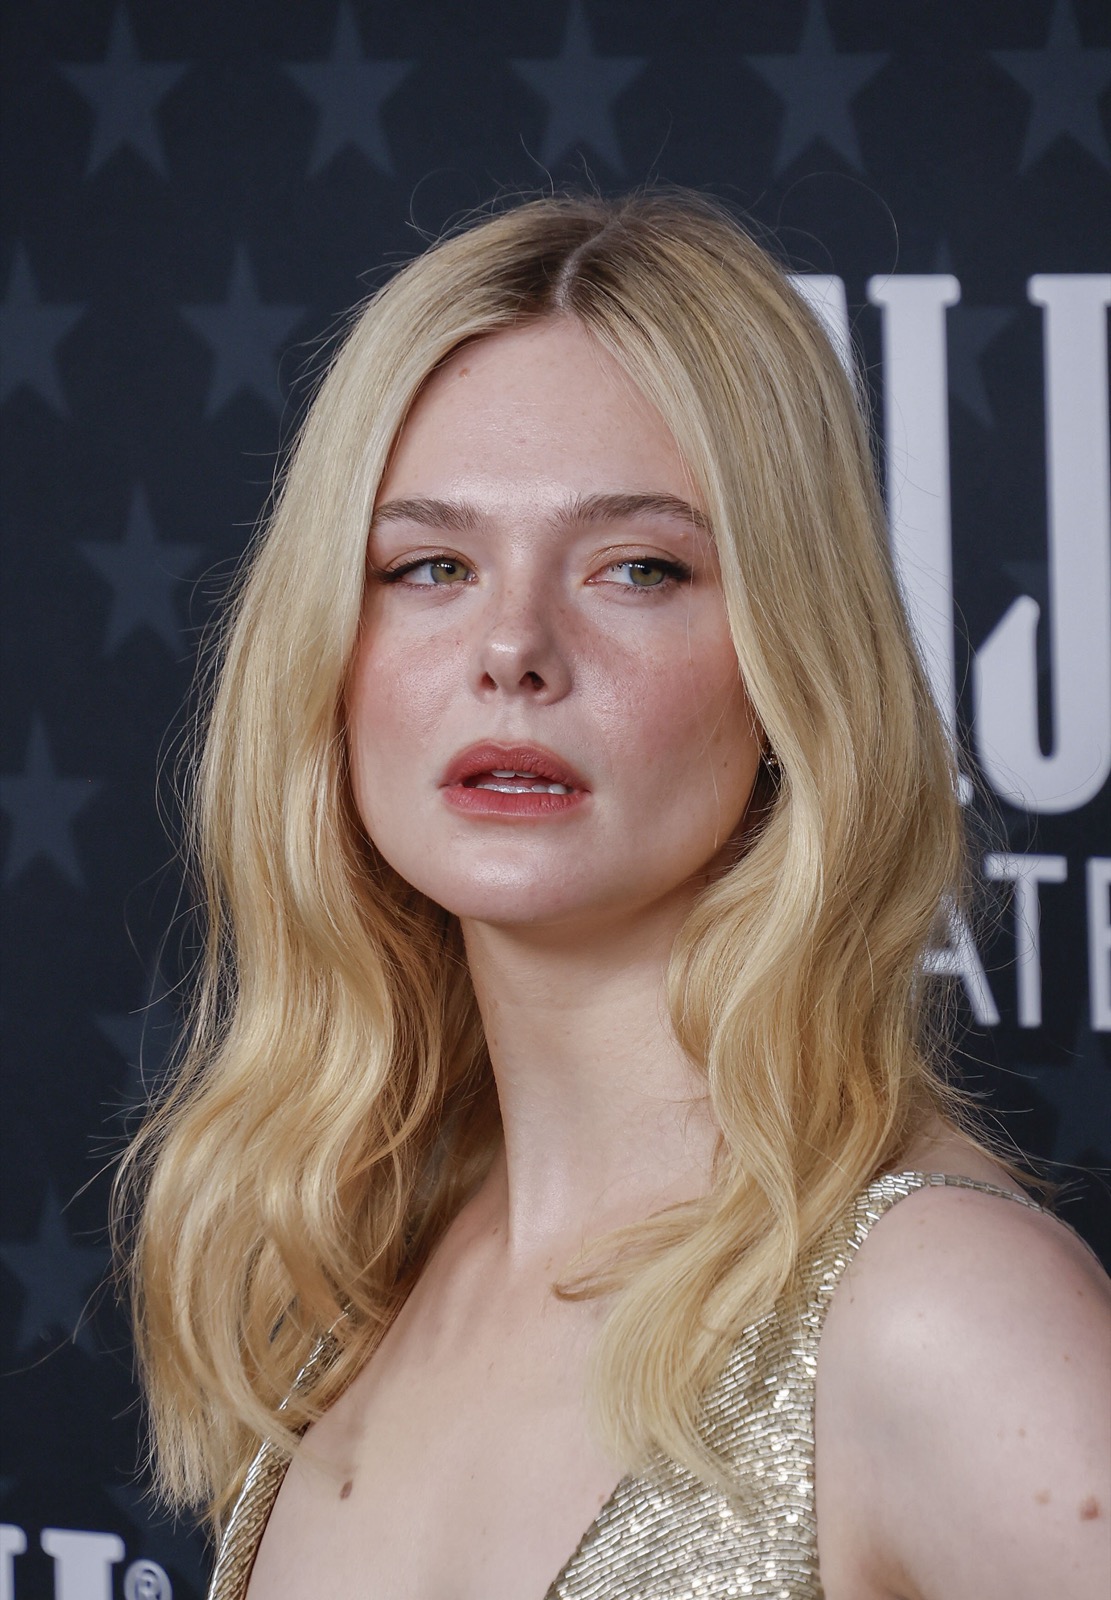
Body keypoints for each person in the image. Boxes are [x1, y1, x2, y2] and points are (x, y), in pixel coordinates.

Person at [115, 191, 1111, 1600]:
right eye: (431, 566)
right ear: (329, 653)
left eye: (640, 568)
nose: (514, 646)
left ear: (790, 661)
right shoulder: (355, 1283)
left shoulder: (940, 1321)